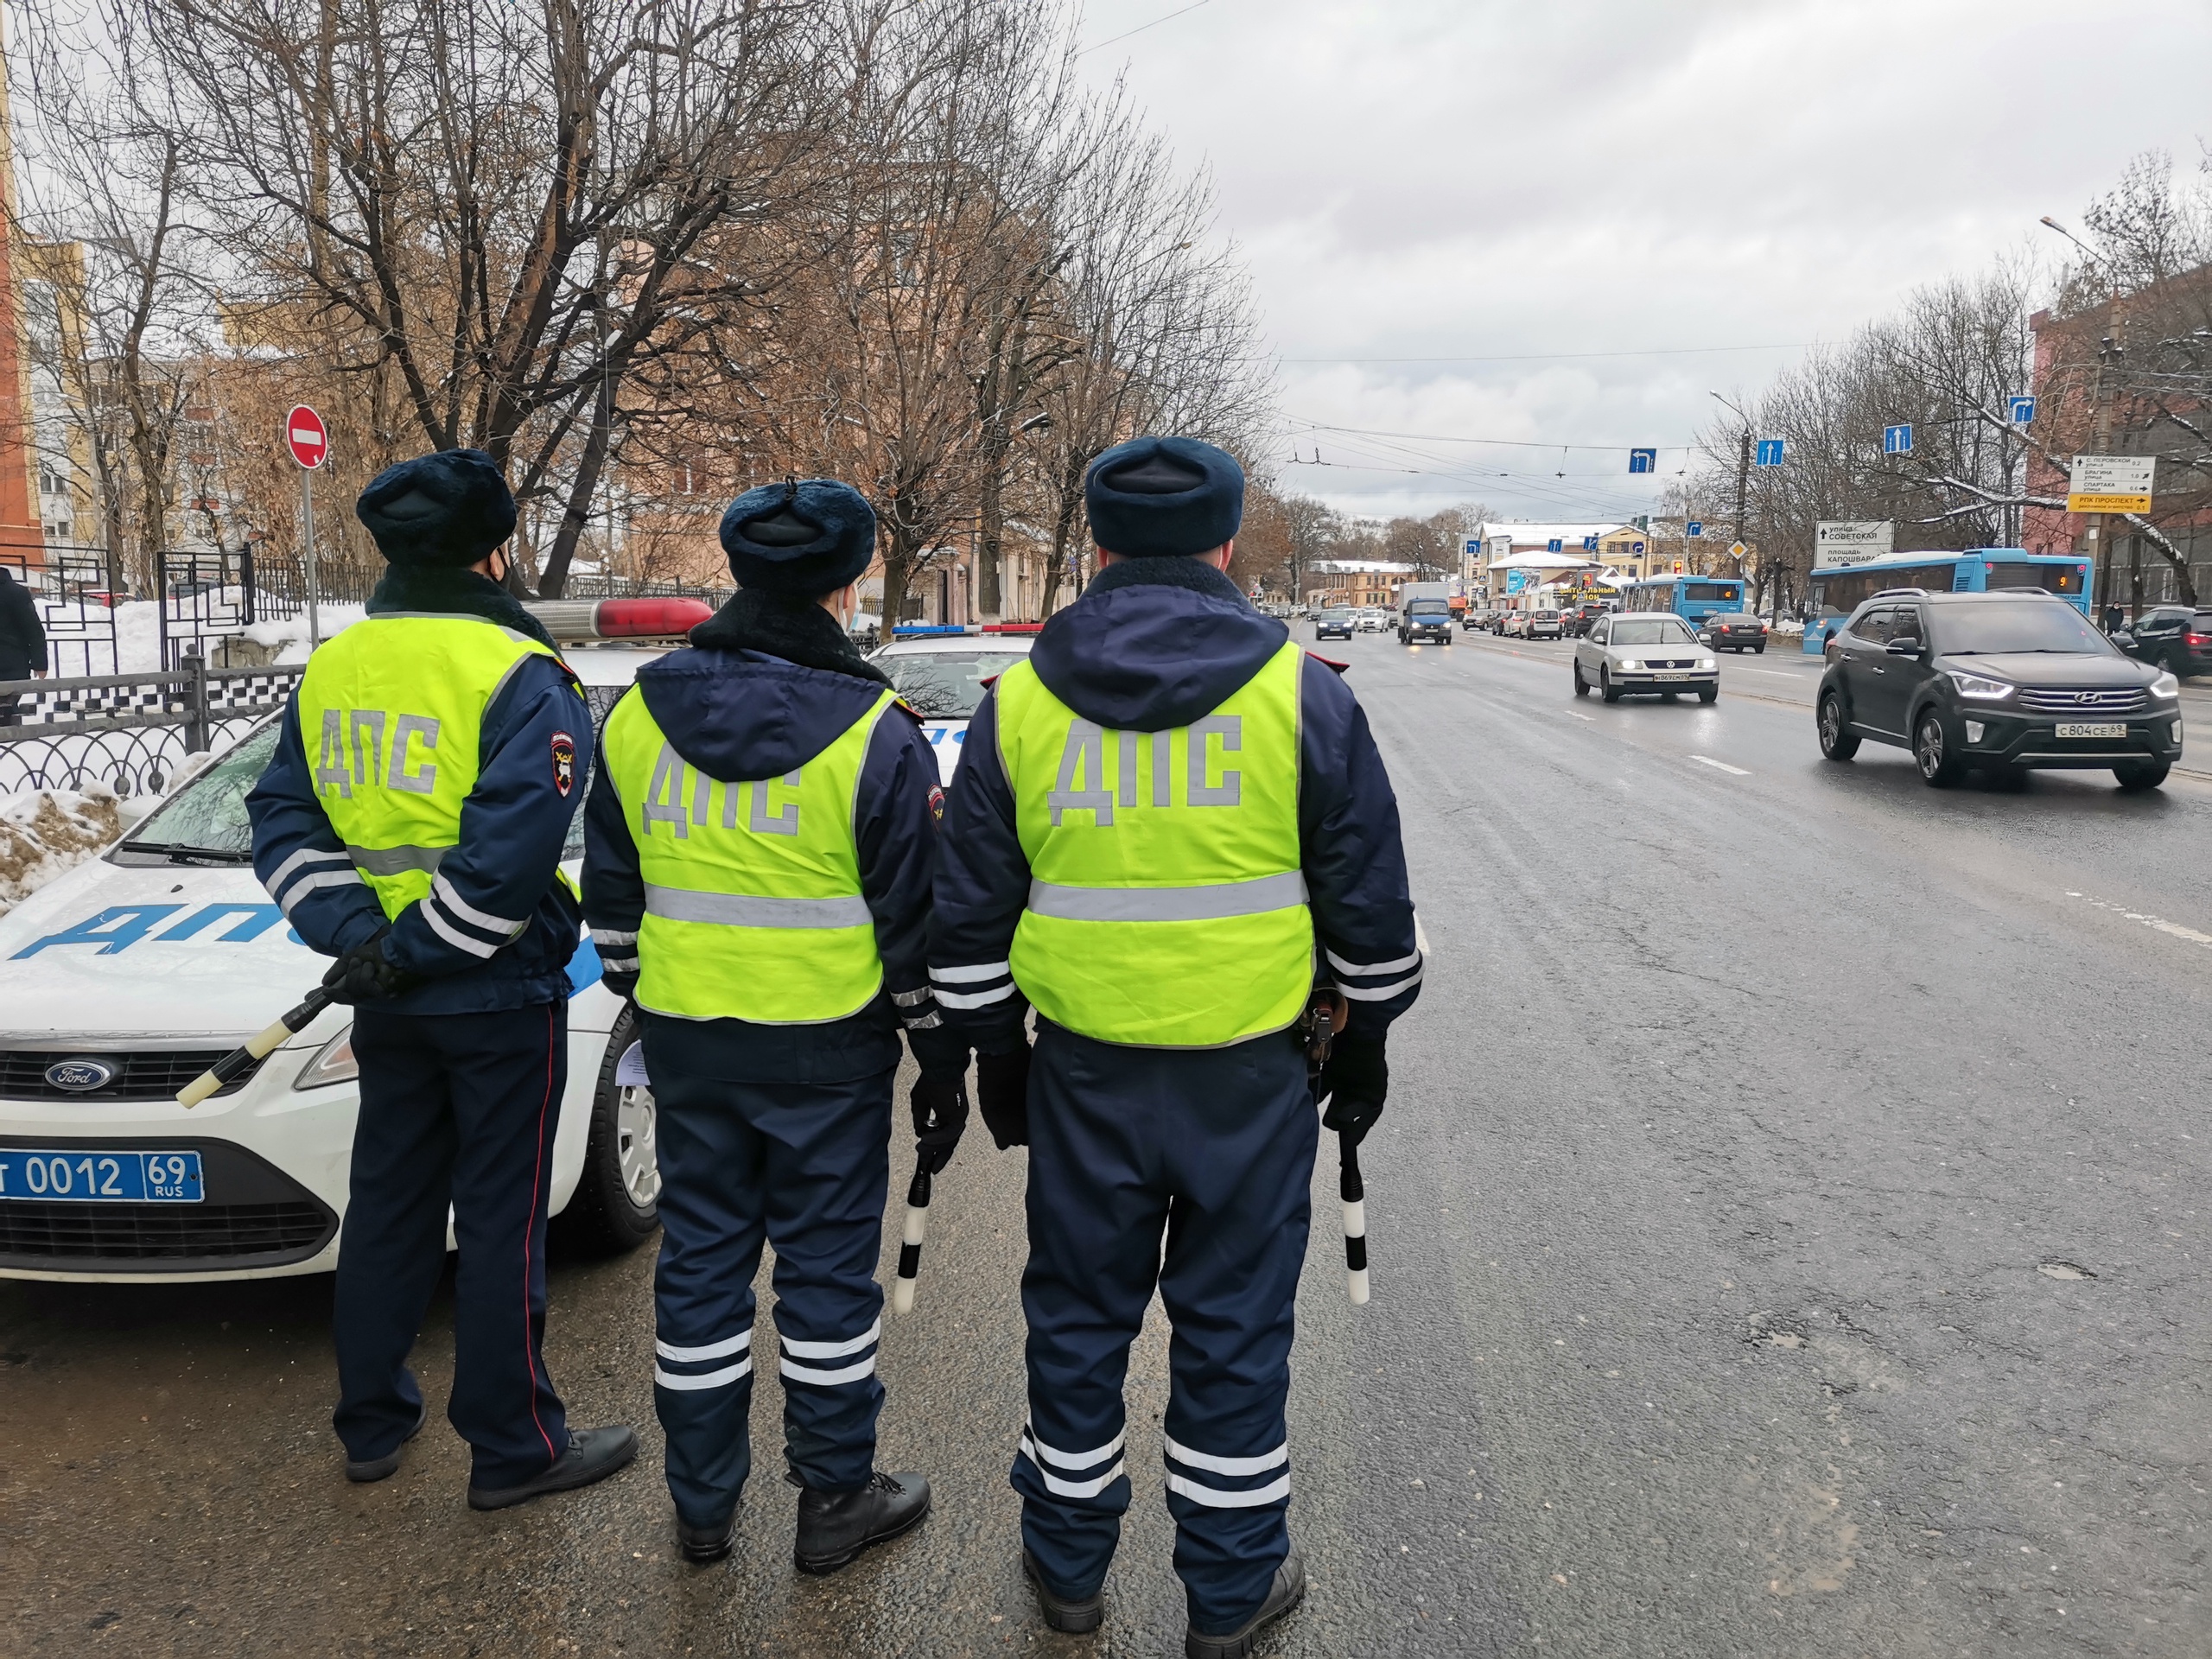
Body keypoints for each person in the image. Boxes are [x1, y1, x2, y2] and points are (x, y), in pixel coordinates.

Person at [930, 436, 1423, 1659]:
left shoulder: (1021, 704)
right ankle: (1231, 1588)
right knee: (1235, 1329)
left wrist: (996, 1051)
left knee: (1079, 1320)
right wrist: (1362, 1044)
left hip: (1082, 1073)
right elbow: (1371, 910)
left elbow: (969, 914)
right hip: (1251, 1079)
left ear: (1096, 547)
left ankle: (1067, 1571)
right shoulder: (1304, 694)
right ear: (1227, 543)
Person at [581, 478, 966, 1572]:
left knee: (700, 1265)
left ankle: (702, 1507)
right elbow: (911, 926)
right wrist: (937, 1049)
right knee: (828, 1281)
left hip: (690, 1038)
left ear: (738, 572)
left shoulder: (641, 711)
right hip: (827, 1052)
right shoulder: (877, 731)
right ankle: (833, 1499)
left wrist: (649, 998)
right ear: (846, 584)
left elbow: (611, 896)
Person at [247, 448, 635, 1510]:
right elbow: (512, 848)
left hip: (384, 991)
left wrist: (355, 934)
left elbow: (280, 817)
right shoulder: (518, 672)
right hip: (496, 990)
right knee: (502, 1217)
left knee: (389, 1206)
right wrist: (422, 944)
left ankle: (372, 1423)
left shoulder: (334, 666)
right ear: (494, 551)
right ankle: (515, 1449)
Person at [0, 561, 48, 725]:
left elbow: (33, 630)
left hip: (9, 668)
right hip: (11, 666)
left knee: (5, 718)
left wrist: (39, 663)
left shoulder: (13, 592)